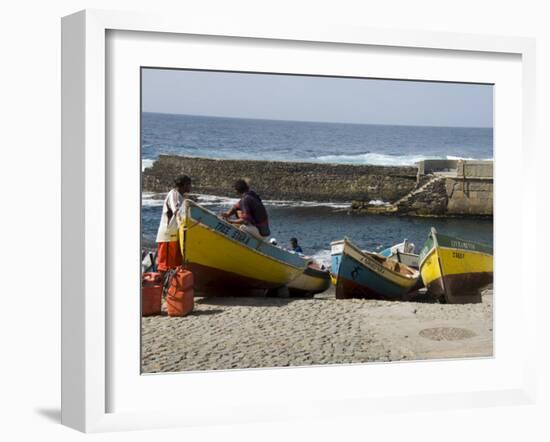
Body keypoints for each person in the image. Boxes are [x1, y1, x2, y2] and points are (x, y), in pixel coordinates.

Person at [156, 175, 192, 273]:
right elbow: (177, 211)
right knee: (165, 266)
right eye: (189, 184)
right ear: (184, 185)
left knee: (174, 266)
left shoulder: (180, 196)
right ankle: (162, 286)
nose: (190, 187)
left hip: (174, 235)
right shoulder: (174, 194)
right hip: (168, 235)